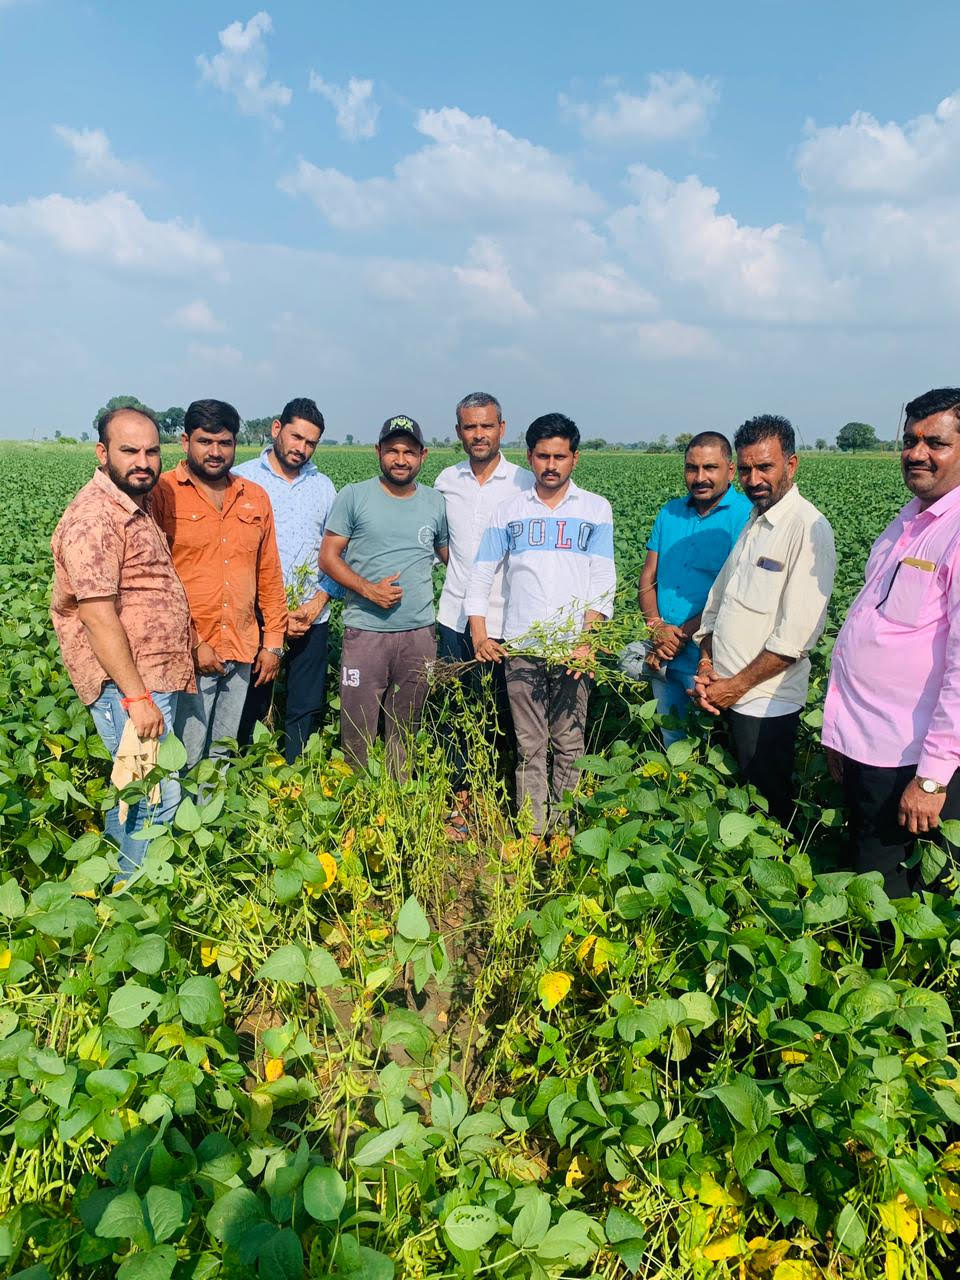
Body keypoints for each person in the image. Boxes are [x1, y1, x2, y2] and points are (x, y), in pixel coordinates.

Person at [823, 387, 960, 896]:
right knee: (868, 874)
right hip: (870, 745)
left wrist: (932, 778)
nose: (916, 453)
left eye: (935, 443)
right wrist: (841, 733)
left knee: (899, 897)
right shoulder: (908, 519)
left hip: (913, 759)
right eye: (909, 440)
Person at [50, 407, 195, 878]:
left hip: (149, 677)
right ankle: (136, 896)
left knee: (131, 792)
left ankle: (116, 888)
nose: (143, 462)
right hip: (129, 685)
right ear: (102, 452)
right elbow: (96, 617)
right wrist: (136, 698)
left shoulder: (134, 504)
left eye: (151, 451)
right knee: (157, 797)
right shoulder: (95, 517)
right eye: (129, 450)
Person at [465, 413, 617, 840]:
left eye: (560, 457)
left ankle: (564, 831)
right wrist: (479, 632)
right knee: (529, 744)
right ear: (529, 457)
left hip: (573, 650)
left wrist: (588, 642)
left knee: (569, 743)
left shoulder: (595, 509)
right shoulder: (509, 511)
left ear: (575, 458)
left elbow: (602, 581)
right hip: (523, 647)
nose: (551, 465)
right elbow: (482, 572)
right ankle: (532, 830)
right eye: (543, 456)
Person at [692, 414, 835, 825]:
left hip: (765, 703)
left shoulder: (806, 527)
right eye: (746, 469)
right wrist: (707, 664)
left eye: (765, 467)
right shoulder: (755, 521)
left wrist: (733, 687)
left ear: (791, 465)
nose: (754, 479)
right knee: (735, 808)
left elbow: (796, 637)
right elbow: (718, 605)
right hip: (725, 693)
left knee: (767, 812)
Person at [152, 399, 287, 768]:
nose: (215, 452)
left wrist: (273, 643)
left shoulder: (254, 497)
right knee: (184, 753)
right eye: (205, 441)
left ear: (235, 444)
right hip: (186, 653)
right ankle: (179, 809)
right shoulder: (162, 492)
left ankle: (215, 808)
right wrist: (193, 643)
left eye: (224, 442)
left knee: (223, 751)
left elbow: (269, 574)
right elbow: (154, 582)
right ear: (185, 441)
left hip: (241, 647)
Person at [319, 415, 449, 770]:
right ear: (378, 451)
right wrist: (368, 590)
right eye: (392, 450)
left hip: (419, 632)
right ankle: (357, 792)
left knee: (407, 727)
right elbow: (328, 557)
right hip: (366, 631)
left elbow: (449, 557)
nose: (400, 459)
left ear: (423, 455)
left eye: (409, 452)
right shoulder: (354, 496)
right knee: (357, 726)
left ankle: (399, 793)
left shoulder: (435, 502)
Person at [434, 392, 533, 831]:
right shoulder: (446, 481)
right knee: (457, 711)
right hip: (454, 616)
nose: (479, 434)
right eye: (470, 427)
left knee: (504, 712)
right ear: (459, 431)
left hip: (507, 619)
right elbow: (442, 544)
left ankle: (499, 794)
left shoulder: (524, 483)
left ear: (502, 429)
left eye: (487, 426)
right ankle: (461, 798)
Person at [234, 398, 343, 762]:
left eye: (311, 443)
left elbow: (338, 553)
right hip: (256, 616)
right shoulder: (242, 479)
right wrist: (273, 615)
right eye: (296, 437)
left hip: (311, 616)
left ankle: (297, 774)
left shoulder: (324, 487)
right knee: (250, 701)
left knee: (305, 705)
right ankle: (246, 772)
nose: (302, 448)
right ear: (277, 429)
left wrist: (317, 602)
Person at [638, 432, 752, 746]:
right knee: (672, 737)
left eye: (710, 468)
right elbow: (647, 578)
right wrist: (656, 627)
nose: (700, 477)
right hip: (662, 652)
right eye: (692, 468)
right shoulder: (669, 512)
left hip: (711, 657)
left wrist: (680, 635)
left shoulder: (746, 516)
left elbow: (735, 594)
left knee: (712, 742)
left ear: (730, 471)